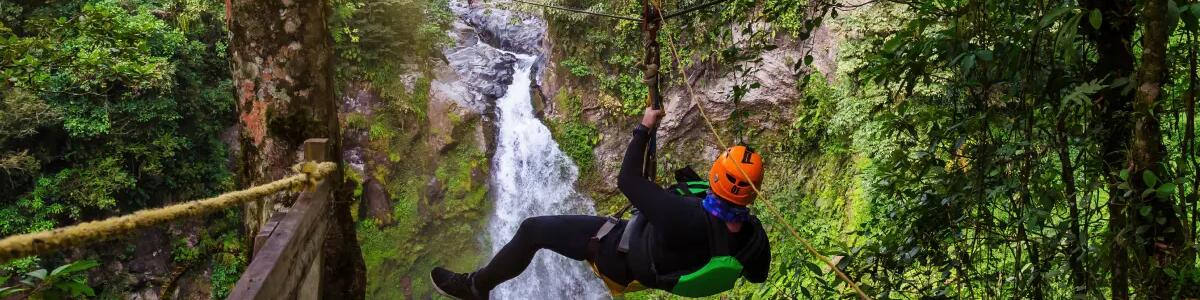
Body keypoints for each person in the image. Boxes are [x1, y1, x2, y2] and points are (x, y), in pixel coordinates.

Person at [430, 107, 771, 299]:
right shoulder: (755, 239)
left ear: (715, 177)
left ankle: (476, 286)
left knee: (532, 229)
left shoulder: (679, 216)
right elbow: (755, 275)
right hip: (656, 263)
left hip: (617, 253)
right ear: (752, 192)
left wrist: (644, 128)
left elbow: (627, 181)